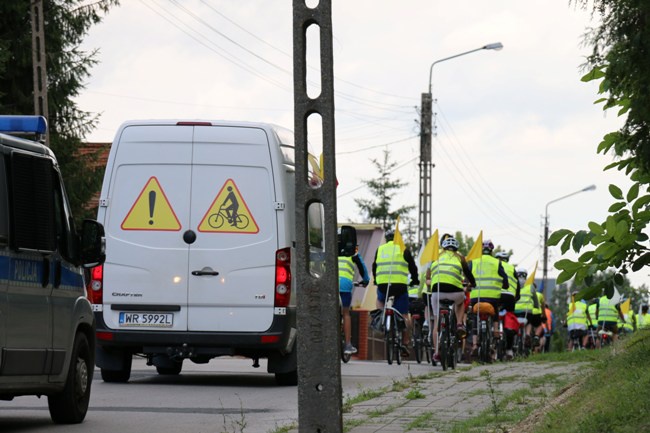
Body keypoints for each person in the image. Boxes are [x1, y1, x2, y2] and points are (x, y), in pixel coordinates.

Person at [424, 235, 476, 363]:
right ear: (456, 248)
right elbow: (468, 274)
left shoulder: (436, 256)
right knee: (460, 302)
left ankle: (436, 353)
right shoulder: (460, 257)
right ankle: (459, 323)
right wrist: (472, 284)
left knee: (436, 322)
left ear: (444, 247)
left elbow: (428, 276)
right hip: (455, 292)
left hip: (437, 292)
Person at [372, 229, 420, 356]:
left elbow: (374, 266)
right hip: (400, 286)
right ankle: (405, 341)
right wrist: (415, 280)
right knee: (404, 314)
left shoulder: (380, 249)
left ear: (386, 239)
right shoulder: (403, 249)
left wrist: (376, 281)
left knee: (380, 300)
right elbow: (413, 268)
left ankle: (382, 316)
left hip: (383, 285)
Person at [467, 239, 509, 358]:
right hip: (492, 297)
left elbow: (468, 277)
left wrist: (467, 285)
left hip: (476, 297)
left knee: (475, 316)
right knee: (495, 310)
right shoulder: (496, 262)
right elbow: (504, 278)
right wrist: (505, 285)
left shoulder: (473, 262)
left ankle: (475, 345)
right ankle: (496, 332)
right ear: (491, 250)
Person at [338, 243, 369, 355]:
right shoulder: (352, 251)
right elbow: (362, 267)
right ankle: (347, 344)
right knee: (346, 313)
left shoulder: (330, 248)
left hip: (330, 283)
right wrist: (366, 280)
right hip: (344, 284)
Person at [494, 251, 520, 359]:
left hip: (495, 294)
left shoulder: (494, 265)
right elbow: (517, 287)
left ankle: (491, 334)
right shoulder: (512, 268)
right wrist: (516, 298)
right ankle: (509, 350)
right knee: (509, 318)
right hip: (509, 296)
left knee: (493, 314)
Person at [514, 267, 539, 349]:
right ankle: (527, 334)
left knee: (514, 323)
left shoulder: (514, 284)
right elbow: (535, 299)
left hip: (515, 310)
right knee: (529, 322)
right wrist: (536, 306)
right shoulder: (531, 286)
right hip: (527, 311)